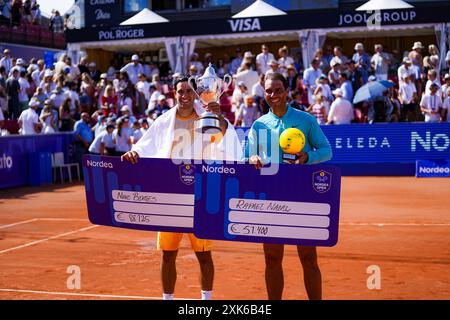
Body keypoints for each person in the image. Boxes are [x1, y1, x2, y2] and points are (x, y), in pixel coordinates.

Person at [121, 76, 242, 300]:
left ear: (196, 94)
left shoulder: (207, 117)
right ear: (174, 94)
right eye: (180, 91)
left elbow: (228, 140)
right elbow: (145, 145)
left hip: (200, 196)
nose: (184, 96)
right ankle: (168, 299)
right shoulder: (164, 121)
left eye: (189, 91)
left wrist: (220, 117)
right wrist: (135, 153)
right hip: (170, 196)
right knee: (167, 255)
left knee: (204, 255)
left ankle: (206, 300)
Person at [247, 73, 332, 300]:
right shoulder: (258, 124)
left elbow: (326, 151)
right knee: (272, 258)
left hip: (300, 195)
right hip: (270, 196)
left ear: (287, 91)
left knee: (308, 257)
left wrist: (308, 157)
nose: (273, 95)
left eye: (277, 90)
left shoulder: (306, 120)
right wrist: (252, 159)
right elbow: (248, 156)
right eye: (268, 91)